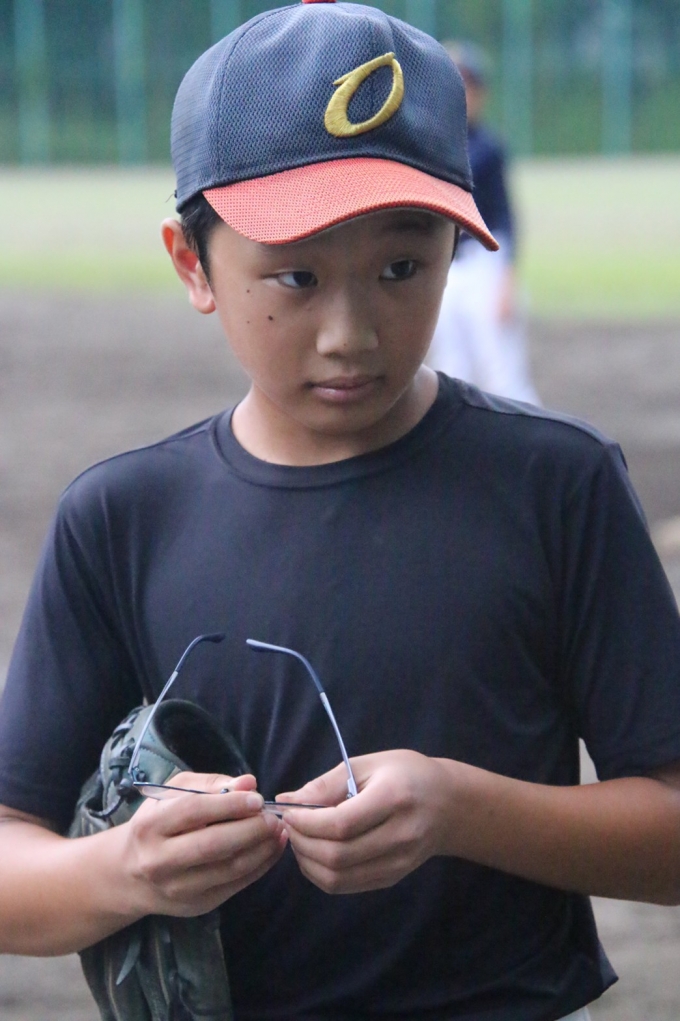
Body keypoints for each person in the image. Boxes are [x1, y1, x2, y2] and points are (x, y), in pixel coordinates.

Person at [1, 3, 680, 1020]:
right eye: (297, 274)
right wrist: (128, 865)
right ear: (192, 263)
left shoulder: (557, 484)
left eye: (401, 268)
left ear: (454, 247)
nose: (349, 332)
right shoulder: (121, 518)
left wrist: (461, 808)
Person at [427, 40, 540, 403]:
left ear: (481, 94)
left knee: (503, 373)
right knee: (450, 375)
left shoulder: (489, 149)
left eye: (468, 85)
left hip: (482, 265)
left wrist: (507, 280)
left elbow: (505, 217)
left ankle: (528, 436)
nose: (462, 95)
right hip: (441, 269)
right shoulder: (424, 148)